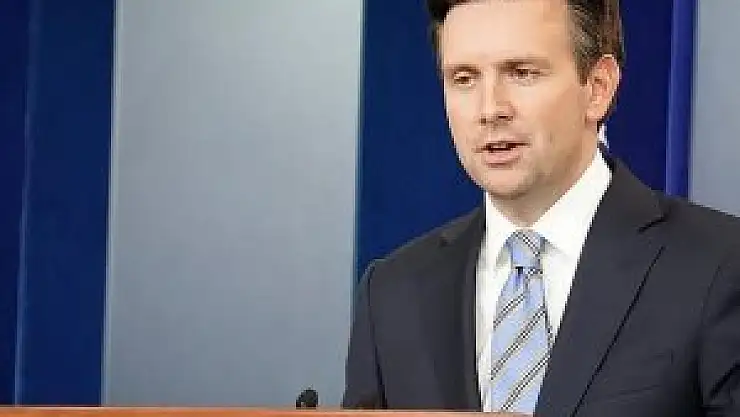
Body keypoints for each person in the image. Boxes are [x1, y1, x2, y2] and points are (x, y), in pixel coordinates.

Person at [341, 0, 740, 416]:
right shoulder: (391, 294)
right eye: (464, 79)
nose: (490, 109)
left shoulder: (720, 267)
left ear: (598, 88)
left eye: (522, 73)